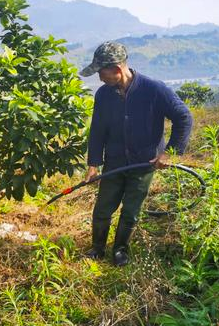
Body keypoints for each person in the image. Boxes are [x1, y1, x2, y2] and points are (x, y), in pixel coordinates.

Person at [80, 41, 193, 266]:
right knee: (103, 208)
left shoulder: (154, 90)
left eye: (101, 72)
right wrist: (93, 163)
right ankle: (97, 248)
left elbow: (184, 118)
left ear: (117, 69)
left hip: (143, 164)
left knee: (131, 210)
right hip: (114, 163)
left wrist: (169, 153)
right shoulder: (104, 95)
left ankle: (120, 250)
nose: (99, 78)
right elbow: (98, 130)